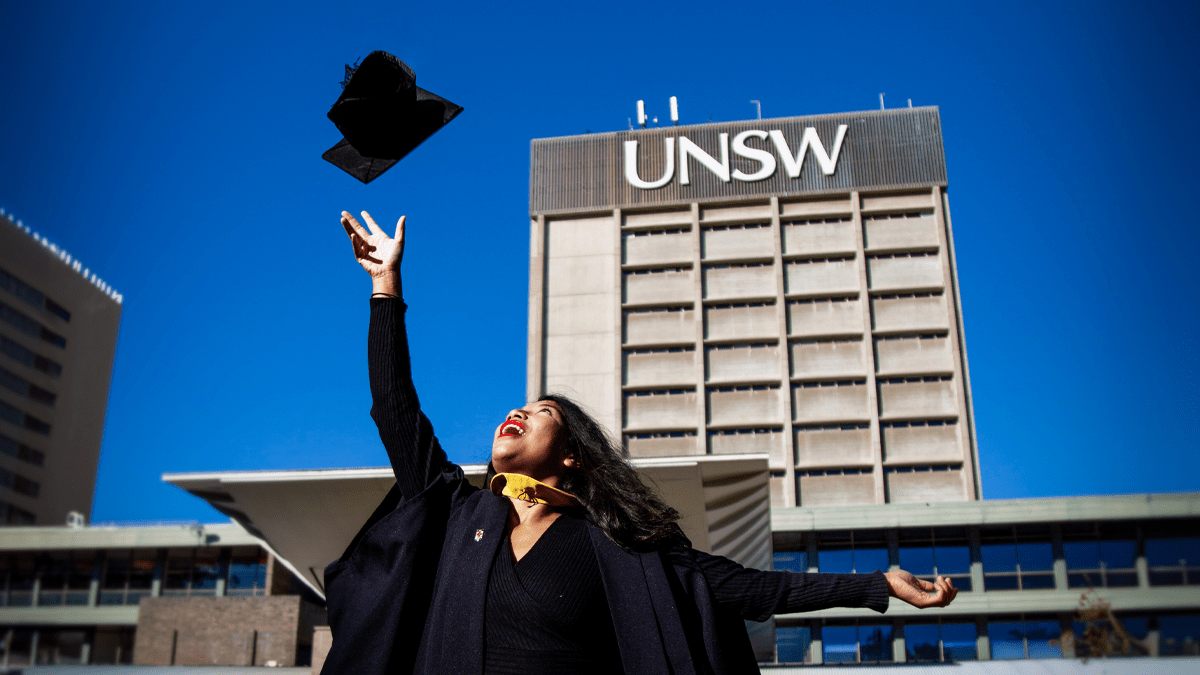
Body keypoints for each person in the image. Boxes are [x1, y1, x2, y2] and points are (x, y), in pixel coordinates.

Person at [321, 211, 958, 675]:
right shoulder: (459, 514)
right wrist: (386, 288)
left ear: (571, 455)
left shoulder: (617, 545)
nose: (517, 411)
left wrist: (876, 585)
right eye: (518, 407)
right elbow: (395, 408)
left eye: (542, 413)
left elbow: (754, 590)